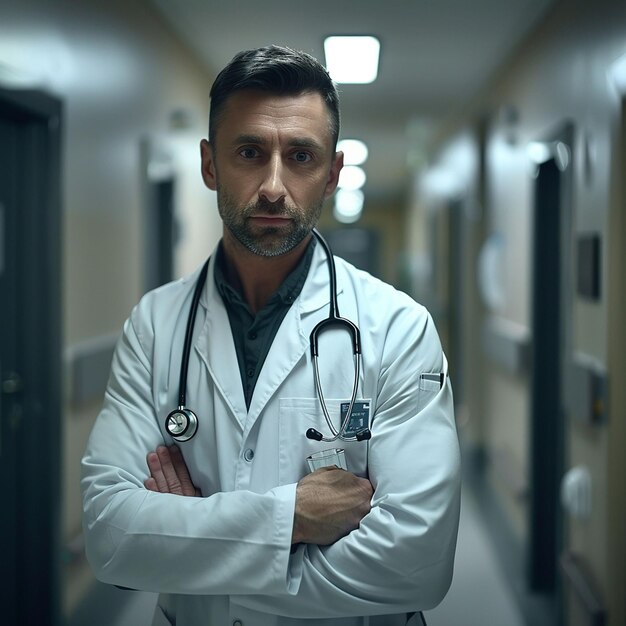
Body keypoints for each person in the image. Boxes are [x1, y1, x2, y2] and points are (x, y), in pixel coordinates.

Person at [81, 45, 461, 626]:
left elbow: (417, 561)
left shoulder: (398, 328)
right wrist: (296, 521)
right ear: (210, 164)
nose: (274, 187)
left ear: (332, 174)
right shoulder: (155, 326)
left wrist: (195, 552)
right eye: (250, 152)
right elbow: (110, 533)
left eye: (302, 156)